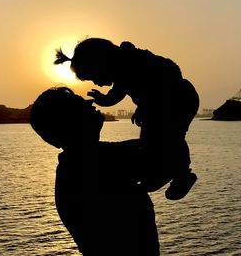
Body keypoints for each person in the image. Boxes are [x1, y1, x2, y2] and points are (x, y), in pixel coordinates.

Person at [54, 38, 199, 200]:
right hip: (169, 102)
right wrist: (142, 105)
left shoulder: (128, 63)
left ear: (100, 62)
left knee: (169, 137)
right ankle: (165, 172)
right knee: (158, 139)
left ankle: (179, 173)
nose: (98, 83)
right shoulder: (124, 66)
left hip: (179, 99)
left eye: (94, 77)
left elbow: (166, 74)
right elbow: (125, 90)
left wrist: (145, 105)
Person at [30, 87, 160, 255]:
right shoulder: (91, 164)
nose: (88, 101)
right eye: (78, 103)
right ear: (70, 121)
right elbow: (163, 149)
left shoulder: (78, 164)